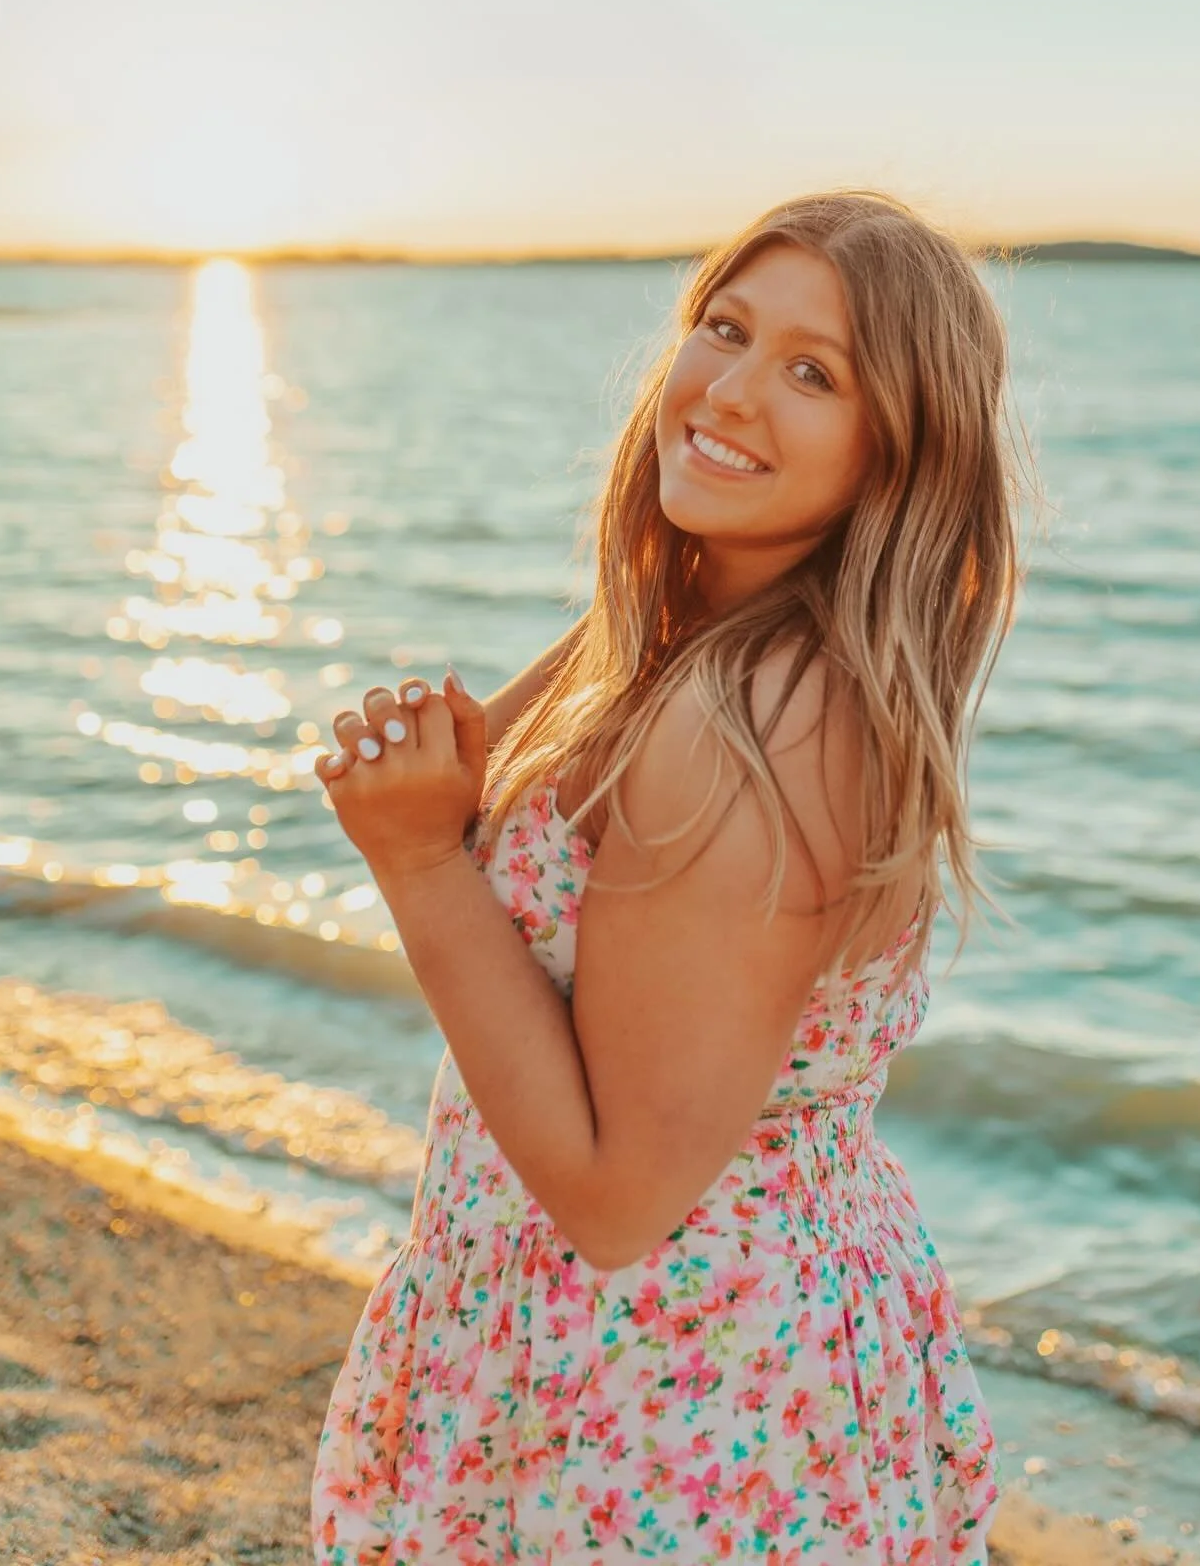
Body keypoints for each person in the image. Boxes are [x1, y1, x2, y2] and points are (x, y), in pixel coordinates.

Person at [309, 190, 1027, 1564]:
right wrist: (432, 816)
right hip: (626, 1348)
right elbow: (486, 832)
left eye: (814, 373)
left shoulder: (758, 726)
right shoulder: (683, 632)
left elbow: (620, 1194)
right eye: (725, 328)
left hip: (675, 1390)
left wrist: (410, 860)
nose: (732, 389)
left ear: (898, 455)